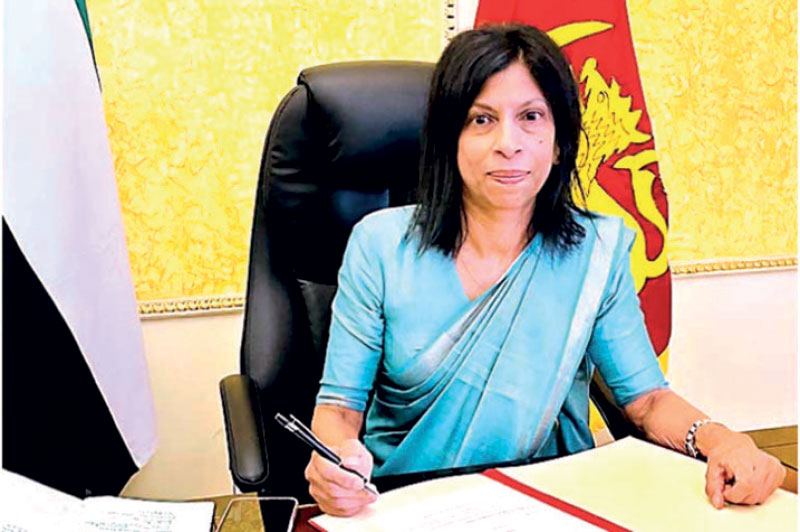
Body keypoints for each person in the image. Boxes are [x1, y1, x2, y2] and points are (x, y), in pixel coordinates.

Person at [304, 23, 786, 516]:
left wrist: (723, 440)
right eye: (481, 119)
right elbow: (339, 409)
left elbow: (646, 401)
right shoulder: (380, 246)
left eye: (531, 116)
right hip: (406, 504)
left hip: (551, 501)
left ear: (558, 142)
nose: (508, 143)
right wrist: (335, 463)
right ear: (451, 138)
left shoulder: (595, 251)